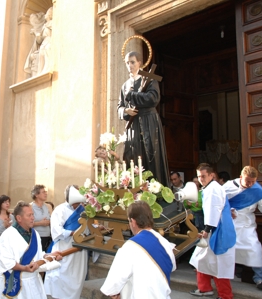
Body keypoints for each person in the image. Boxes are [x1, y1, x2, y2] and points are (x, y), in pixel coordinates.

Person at [100, 200, 176, 298]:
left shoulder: (130, 247)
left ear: (133, 221)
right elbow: (172, 267)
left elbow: (113, 285)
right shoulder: (165, 243)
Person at [117, 51, 169, 187]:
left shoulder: (149, 78)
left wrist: (132, 96)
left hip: (149, 122)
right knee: (133, 158)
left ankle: (156, 190)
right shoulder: (124, 85)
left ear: (140, 62)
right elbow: (119, 108)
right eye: (127, 63)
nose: (130, 65)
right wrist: (125, 111)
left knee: (151, 157)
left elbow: (153, 98)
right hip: (133, 126)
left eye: (133, 62)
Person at [0, 201, 62, 299]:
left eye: (33, 214)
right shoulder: (8, 235)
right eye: (29, 215)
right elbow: (4, 261)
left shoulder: (35, 234)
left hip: (33, 282)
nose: (33, 218)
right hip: (15, 284)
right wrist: (24, 268)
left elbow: (38, 255)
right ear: (19, 218)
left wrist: (51, 255)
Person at [189, 163, 236, 299]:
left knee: (219, 265)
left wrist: (207, 230)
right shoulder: (210, 188)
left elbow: (213, 209)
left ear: (211, 175)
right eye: (199, 176)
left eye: (203, 176)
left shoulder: (213, 189)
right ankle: (204, 288)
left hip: (218, 231)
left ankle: (225, 295)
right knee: (201, 259)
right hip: (215, 228)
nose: (201, 179)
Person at [223, 166, 262, 291]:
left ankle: (260, 278)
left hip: (247, 226)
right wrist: (227, 211)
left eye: (253, 181)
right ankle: (224, 278)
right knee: (227, 252)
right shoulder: (227, 187)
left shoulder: (257, 189)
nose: (250, 184)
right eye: (247, 181)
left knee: (255, 250)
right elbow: (218, 203)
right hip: (230, 225)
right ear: (240, 177)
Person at [44, 185, 88, 299]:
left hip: (79, 252)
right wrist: (73, 233)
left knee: (76, 278)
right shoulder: (60, 209)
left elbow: (86, 228)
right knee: (60, 279)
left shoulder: (83, 210)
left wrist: (96, 228)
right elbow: (56, 231)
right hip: (64, 249)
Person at [24, 7, 53, 77]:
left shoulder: (52, 23)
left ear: (50, 15)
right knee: (40, 54)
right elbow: (40, 40)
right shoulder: (44, 26)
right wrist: (36, 35)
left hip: (49, 41)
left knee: (45, 51)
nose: (45, 15)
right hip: (44, 43)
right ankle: (41, 72)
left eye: (47, 13)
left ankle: (46, 69)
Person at [30, 184, 51, 252]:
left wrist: (50, 222)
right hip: (35, 236)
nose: (46, 194)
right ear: (36, 195)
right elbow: (26, 223)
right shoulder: (30, 206)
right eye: (43, 192)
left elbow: (53, 220)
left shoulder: (48, 206)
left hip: (47, 237)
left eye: (46, 192)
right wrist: (40, 223)